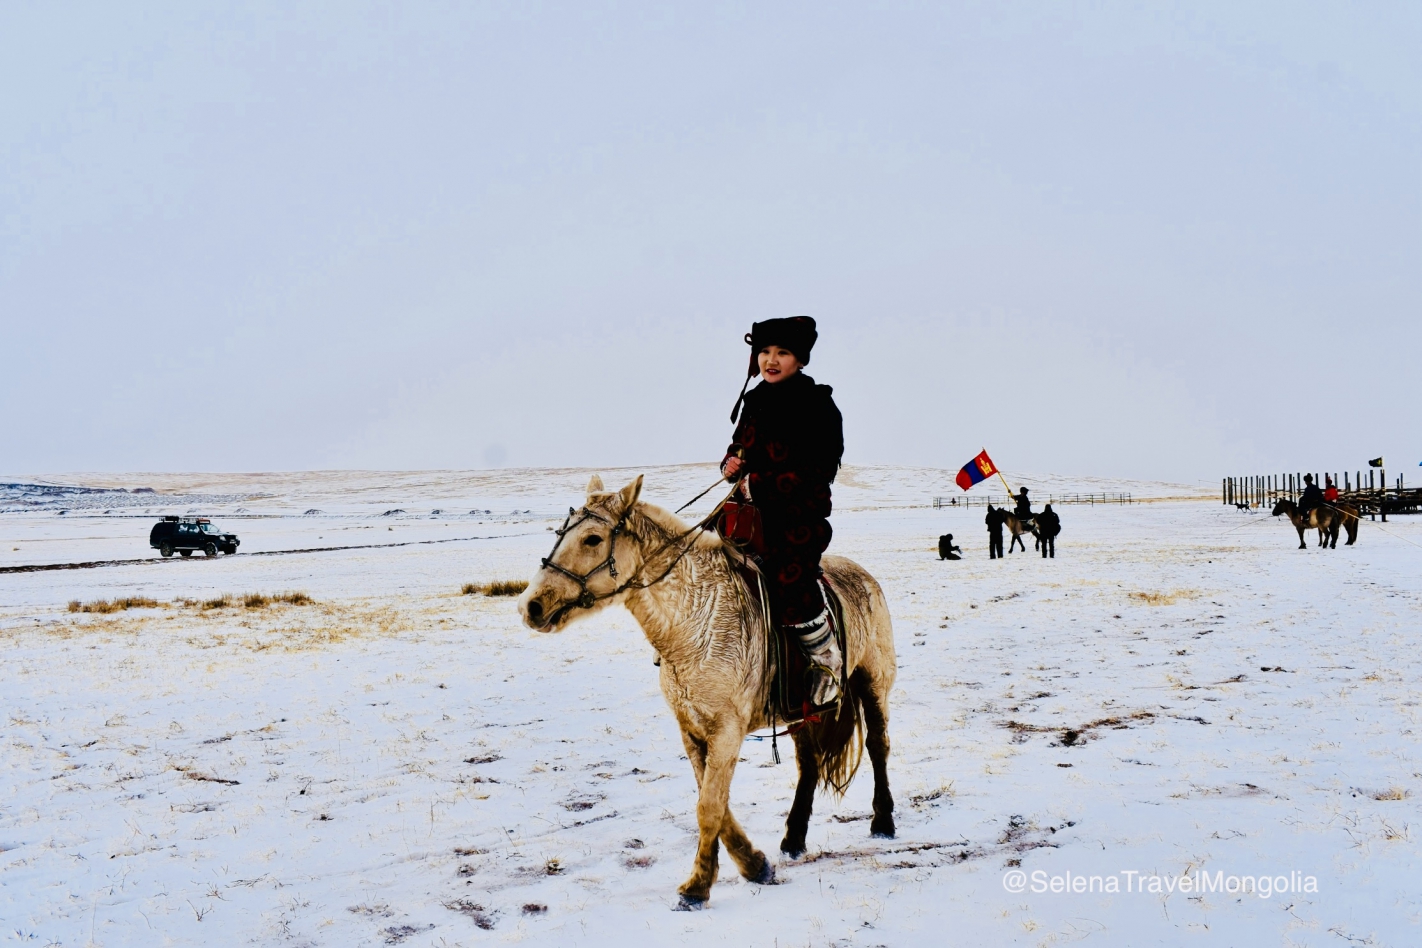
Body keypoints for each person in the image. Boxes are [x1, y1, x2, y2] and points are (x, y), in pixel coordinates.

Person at [723, 316, 844, 707]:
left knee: (790, 581)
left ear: (801, 360)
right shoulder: (754, 401)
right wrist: (730, 463)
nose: (770, 360)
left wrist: (757, 483)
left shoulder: (818, 406)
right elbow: (740, 446)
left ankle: (826, 663)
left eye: (782, 353)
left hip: (797, 518)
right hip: (746, 515)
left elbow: (819, 471)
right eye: (764, 352)